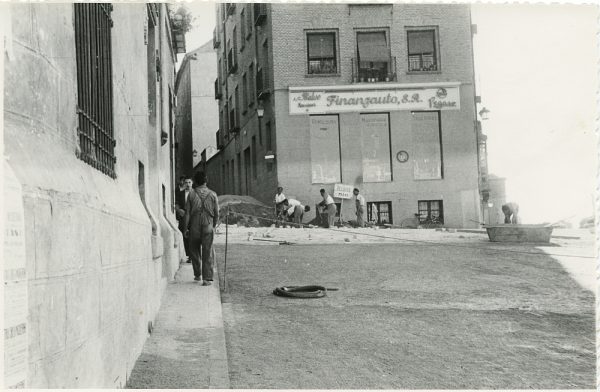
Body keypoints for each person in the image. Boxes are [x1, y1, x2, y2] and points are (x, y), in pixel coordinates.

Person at [185, 172, 219, 285]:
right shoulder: (213, 194)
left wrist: (186, 228)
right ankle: (207, 278)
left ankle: (198, 274)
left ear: (195, 181)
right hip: (208, 224)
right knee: (207, 251)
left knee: (194, 250)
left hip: (194, 225)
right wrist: (213, 225)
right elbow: (216, 213)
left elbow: (187, 214)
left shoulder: (191, 194)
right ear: (206, 181)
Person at [176, 176, 193, 261]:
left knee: (193, 236)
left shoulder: (195, 193)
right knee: (185, 235)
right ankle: (189, 255)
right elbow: (176, 203)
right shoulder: (180, 193)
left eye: (189, 182)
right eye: (186, 182)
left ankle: (193, 255)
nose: (188, 184)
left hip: (193, 218)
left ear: (192, 183)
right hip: (183, 217)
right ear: (183, 184)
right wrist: (179, 210)